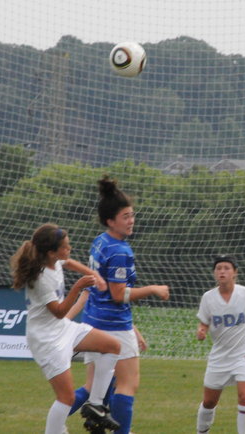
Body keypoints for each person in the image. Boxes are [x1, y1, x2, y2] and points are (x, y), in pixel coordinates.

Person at [79, 175, 170, 434]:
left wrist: (134, 328)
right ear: (111, 221)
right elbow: (118, 295)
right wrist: (152, 289)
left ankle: (66, 422)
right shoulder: (120, 250)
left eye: (132, 215)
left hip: (94, 320)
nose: (131, 221)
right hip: (113, 324)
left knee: (96, 385)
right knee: (128, 383)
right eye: (125, 217)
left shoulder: (100, 240)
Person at [10, 223, 122, 434]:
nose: (69, 249)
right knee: (66, 398)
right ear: (51, 253)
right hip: (46, 340)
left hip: (62, 329)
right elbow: (59, 312)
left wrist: (95, 276)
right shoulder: (41, 278)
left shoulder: (55, 261)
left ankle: (96, 405)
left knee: (112, 346)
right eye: (65, 246)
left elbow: (69, 263)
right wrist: (78, 287)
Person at [195, 255, 245, 434]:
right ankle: (201, 431)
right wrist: (201, 331)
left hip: (244, 352)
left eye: (226, 268)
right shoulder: (208, 297)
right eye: (218, 268)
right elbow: (204, 323)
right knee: (209, 402)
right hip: (220, 355)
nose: (222, 271)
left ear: (235, 272)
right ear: (214, 273)